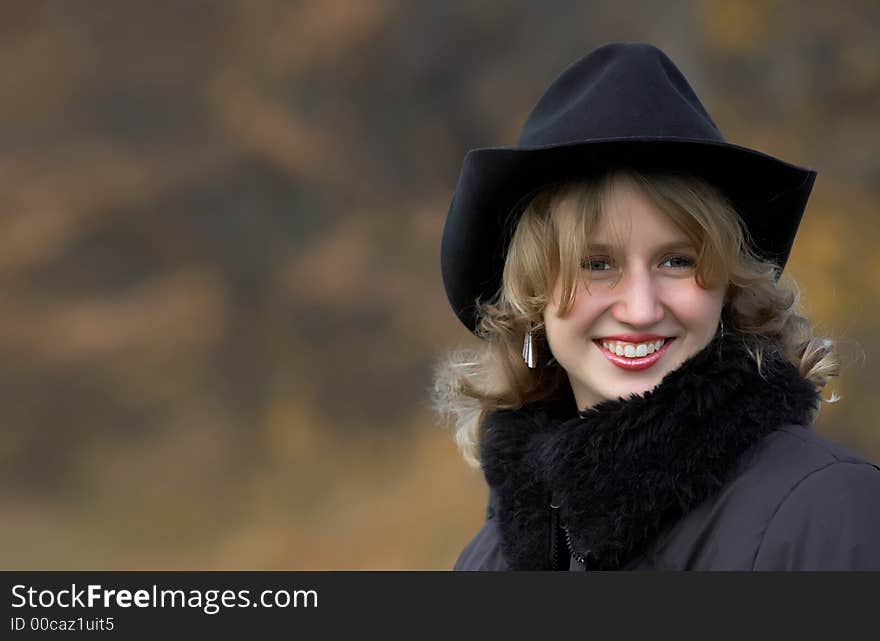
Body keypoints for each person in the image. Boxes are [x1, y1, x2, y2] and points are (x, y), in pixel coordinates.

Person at [434, 42, 880, 570]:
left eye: (677, 261)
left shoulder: (825, 511)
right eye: (597, 264)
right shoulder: (488, 561)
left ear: (729, 287)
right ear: (532, 301)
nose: (641, 309)